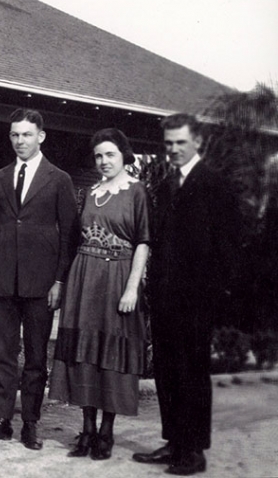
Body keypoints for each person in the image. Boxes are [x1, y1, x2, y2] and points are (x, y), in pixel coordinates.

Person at [132, 113, 239, 476]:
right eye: (168, 144)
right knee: (167, 370)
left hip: (196, 300)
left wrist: (211, 296)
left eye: (180, 142)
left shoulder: (215, 185)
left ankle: (194, 451)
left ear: (197, 142)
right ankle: (174, 441)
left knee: (192, 372)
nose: (173, 149)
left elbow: (228, 248)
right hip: (164, 297)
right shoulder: (165, 185)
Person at [0, 108, 79, 449]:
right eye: (15, 135)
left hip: (41, 283)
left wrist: (60, 281)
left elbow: (69, 235)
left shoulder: (59, 179)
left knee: (36, 358)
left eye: (26, 135)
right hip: (3, 279)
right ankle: (3, 419)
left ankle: (30, 423)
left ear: (41, 137)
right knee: (3, 354)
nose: (20, 141)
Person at [49, 128, 150, 460]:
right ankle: (87, 429)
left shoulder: (136, 192)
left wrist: (132, 287)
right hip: (84, 277)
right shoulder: (90, 192)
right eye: (98, 156)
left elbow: (142, 242)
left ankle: (107, 432)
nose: (104, 161)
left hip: (118, 277)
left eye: (110, 155)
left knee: (111, 353)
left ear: (124, 156)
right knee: (85, 353)